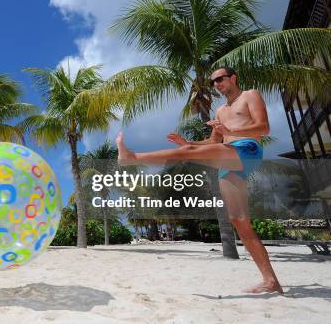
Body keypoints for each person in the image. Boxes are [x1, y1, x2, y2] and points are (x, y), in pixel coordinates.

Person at [116, 66, 282, 294]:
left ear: (233, 77)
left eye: (220, 79)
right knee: (239, 221)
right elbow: (213, 143)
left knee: (188, 155)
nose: (217, 84)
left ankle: (131, 157)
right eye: (213, 82)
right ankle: (270, 281)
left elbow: (264, 127)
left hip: (247, 149)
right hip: (228, 161)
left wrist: (229, 130)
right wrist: (187, 142)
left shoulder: (249, 95)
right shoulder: (220, 111)